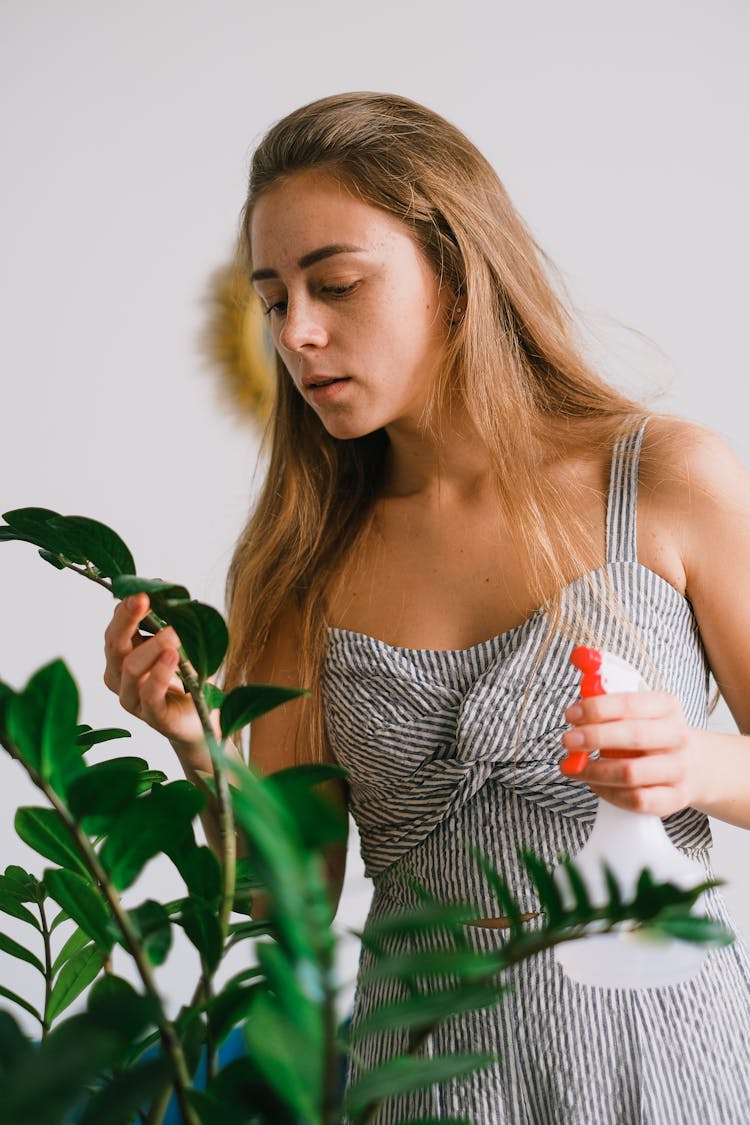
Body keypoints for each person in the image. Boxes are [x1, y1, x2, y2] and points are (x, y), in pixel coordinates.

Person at [103, 92, 750, 1123]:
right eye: (273, 299)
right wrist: (199, 745)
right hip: (424, 1081)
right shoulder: (296, 563)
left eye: (337, 285)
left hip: (665, 1060)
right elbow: (291, 904)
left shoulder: (665, 480)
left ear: (456, 271)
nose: (299, 333)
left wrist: (698, 764)